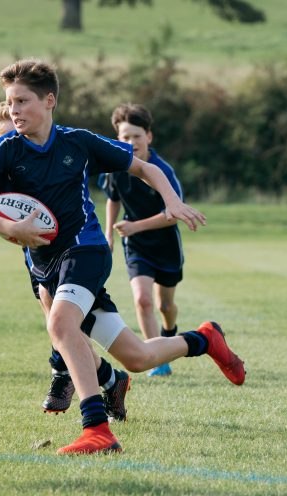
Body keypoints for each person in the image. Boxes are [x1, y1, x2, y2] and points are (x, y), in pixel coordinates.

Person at [0, 59, 245, 455]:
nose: (14, 110)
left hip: (86, 248)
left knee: (60, 326)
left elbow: (145, 168)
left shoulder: (78, 142)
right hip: (47, 266)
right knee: (138, 356)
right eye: (9, 102)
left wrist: (172, 201)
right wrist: (10, 228)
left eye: (22, 101)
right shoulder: (5, 149)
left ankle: (97, 429)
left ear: (49, 100)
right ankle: (205, 338)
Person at [0, 101, 132, 421]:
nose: (15, 144)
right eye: (5, 139)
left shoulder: (57, 150)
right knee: (64, 331)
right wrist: (10, 230)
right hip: (39, 259)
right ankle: (111, 380)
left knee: (64, 331)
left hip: (78, 252)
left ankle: (65, 376)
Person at [101, 103, 184, 377]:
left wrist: (135, 226)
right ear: (118, 139)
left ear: (149, 136)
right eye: (125, 137)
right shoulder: (114, 167)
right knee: (143, 301)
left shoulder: (162, 170)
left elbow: (173, 215)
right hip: (137, 247)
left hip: (166, 246)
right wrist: (108, 234)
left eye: (137, 136)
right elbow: (112, 199)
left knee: (164, 306)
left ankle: (169, 332)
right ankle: (158, 362)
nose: (131, 142)